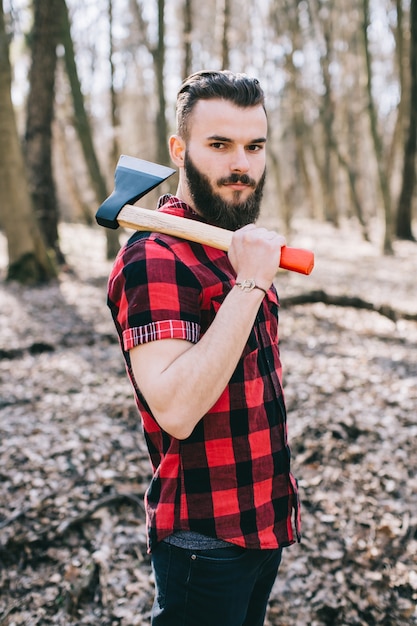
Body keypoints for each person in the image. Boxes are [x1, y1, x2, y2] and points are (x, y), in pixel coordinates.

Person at [107, 70, 301, 626]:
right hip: (205, 540)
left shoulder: (228, 244)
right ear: (179, 149)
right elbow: (176, 408)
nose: (240, 164)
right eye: (219, 145)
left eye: (253, 146)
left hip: (262, 522)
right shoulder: (154, 258)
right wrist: (251, 285)